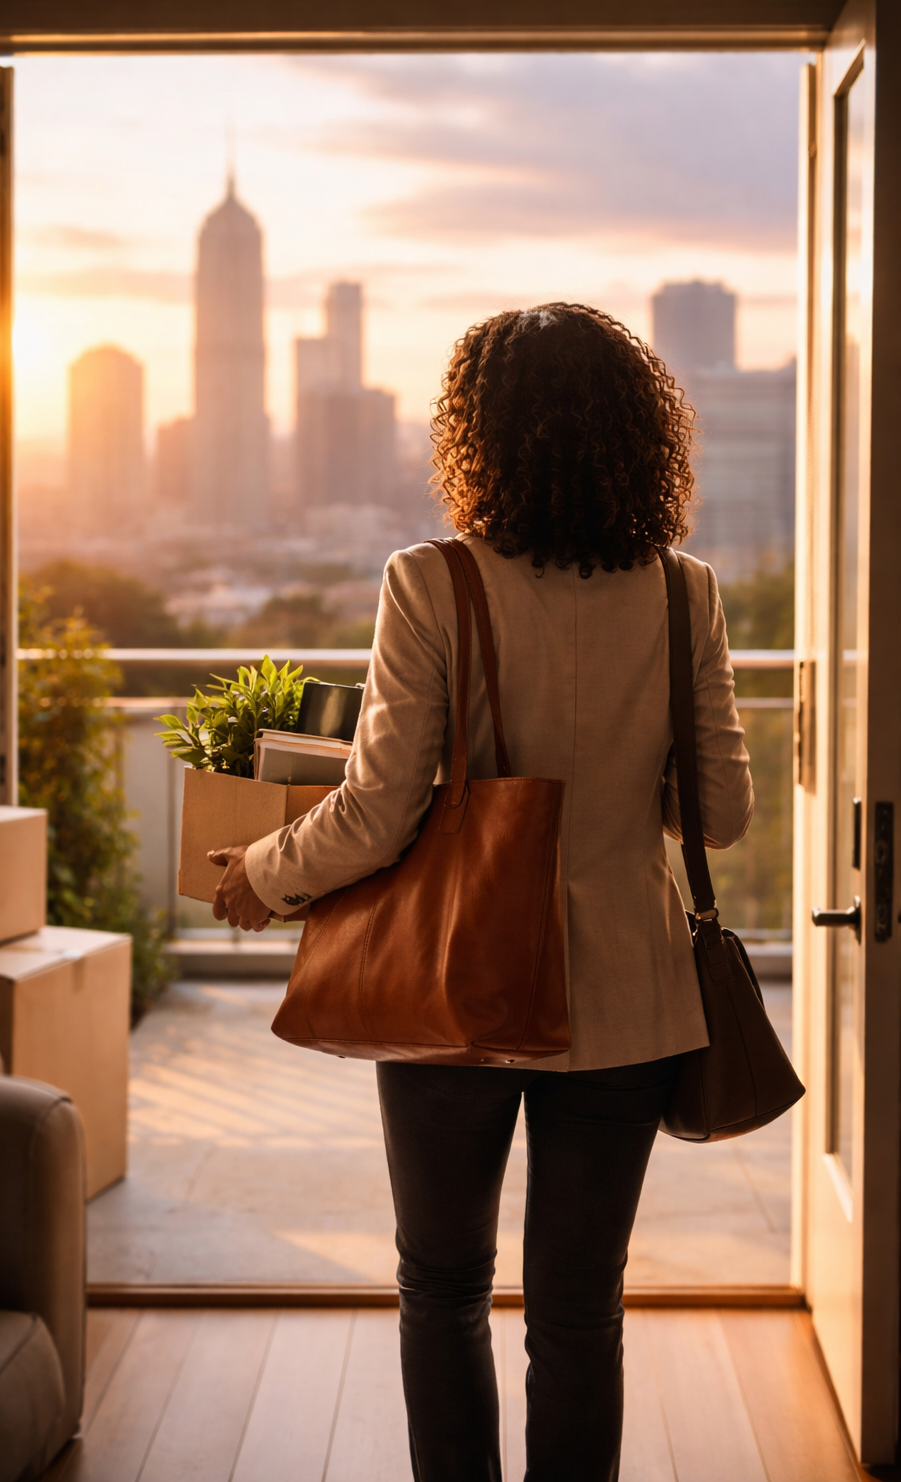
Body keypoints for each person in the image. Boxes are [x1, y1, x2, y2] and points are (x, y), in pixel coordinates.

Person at [212, 303, 753, 1482]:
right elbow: (720, 816)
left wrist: (262, 873)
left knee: (442, 1284)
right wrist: (622, 778)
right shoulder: (683, 592)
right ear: (636, 435)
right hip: (630, 995)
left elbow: (378, 810)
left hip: (455, 983)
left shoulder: (430, 582)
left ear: (479, 435)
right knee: (578, 1309)